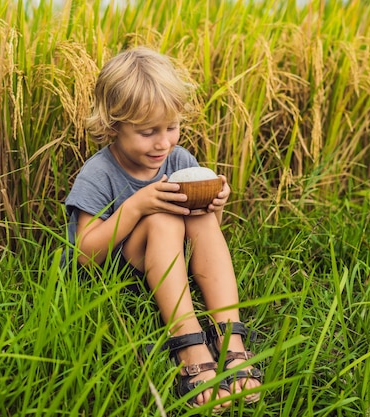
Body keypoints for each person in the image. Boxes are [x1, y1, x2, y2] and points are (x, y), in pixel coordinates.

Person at [64, 46, 262, 409]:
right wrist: (138, 205)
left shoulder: (179, 158)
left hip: (171, 261)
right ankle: (188, 343)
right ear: (114, 126)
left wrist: (214, 205)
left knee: (195, 214)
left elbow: (202, 235)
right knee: (162, 215)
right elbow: (84, 256)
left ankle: (230, 336)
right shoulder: (98, 173)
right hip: (119, 271)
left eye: (171, 127)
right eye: (147, 132)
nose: (163, 142)